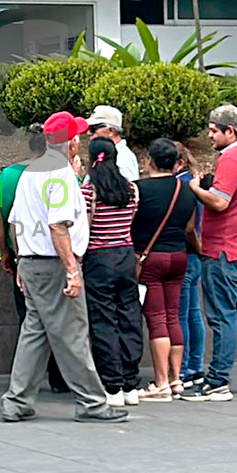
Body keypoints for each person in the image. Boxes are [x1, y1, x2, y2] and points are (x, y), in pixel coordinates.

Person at [1, 111, 128, 423]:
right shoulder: (61, 175)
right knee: (72, 333)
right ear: (71, 141)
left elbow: (15, 221)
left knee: (36, 331)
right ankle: (93, 403)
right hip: (54, 263)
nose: (81, 141)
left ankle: (16, 401)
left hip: (33, 262)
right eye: (78, 136)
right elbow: (58, 226)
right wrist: (72, 269)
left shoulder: (32, 171)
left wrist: (21, 263)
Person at [184, 104, 237, 402]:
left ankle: (217, 380)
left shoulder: (231, 158)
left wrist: (196, 188)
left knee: (222, 317)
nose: (209, 136)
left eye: (213, 130)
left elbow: (220, 203)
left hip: (223, 250)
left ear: (229, 131)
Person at [0, 124, 68, 393]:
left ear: (29, 146)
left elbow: (0, 217)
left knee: (29, 319)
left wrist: (5, 252)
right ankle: (60, 378)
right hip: (58, 257)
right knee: (60, 318)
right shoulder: (63, 174)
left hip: (23, 255)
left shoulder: (10, 175)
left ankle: (28, 381)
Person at [132, 137, 201, 402]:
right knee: (174, 316)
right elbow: (188, 227)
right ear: (176, 162)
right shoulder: (186, 190)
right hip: (179, 256)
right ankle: (176, 378)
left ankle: (160, 382)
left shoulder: (139, 189)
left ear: (149, 160)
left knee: (157, 319)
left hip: (151, 259)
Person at [79, 137, 143, 407]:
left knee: (103, 320)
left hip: (98, 258)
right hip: (126, 256)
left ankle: (112, 385)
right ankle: (131, 384)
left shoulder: (89, 190)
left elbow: (83, 225)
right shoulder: (131, 189)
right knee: (130, 316)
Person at [173, 140, 206, 388]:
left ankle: (182, 368)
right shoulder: (194, 182)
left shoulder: (180, 185)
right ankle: (196, 364)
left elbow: (188, 227)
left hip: (184, 252)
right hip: (195, 257)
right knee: (194, 312)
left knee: (181, 314)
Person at [86, 105, 139, 181]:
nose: (88, 133)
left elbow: (129, 189)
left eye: (93, 129)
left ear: (111, 131)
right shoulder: (102, 154)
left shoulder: (123, 158)